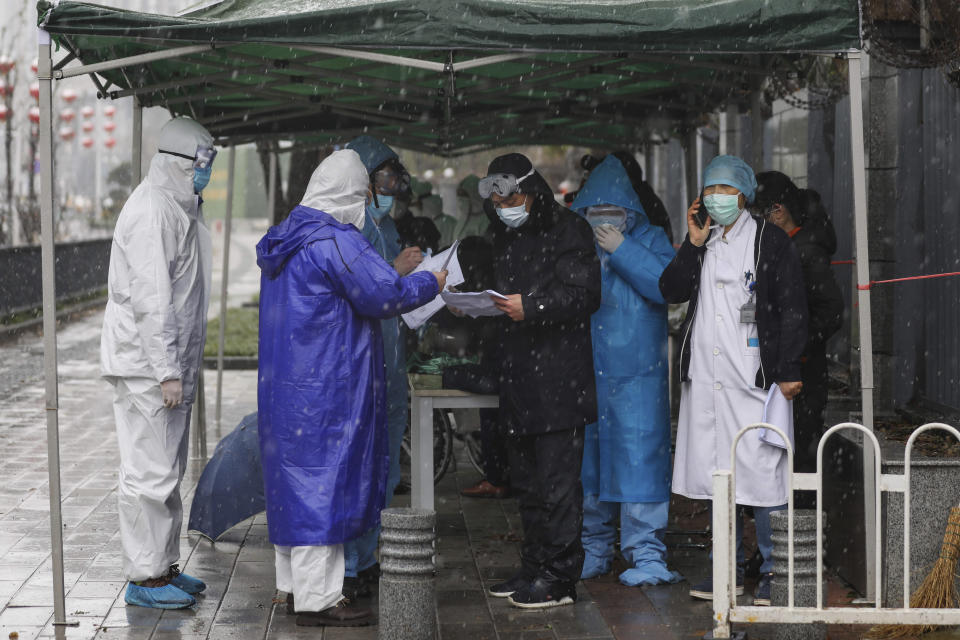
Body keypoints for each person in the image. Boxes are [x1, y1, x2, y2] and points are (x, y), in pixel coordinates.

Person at [256, 149, 445, 627]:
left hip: (288, 387)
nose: (368, 201)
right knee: (325, 484)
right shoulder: (337, 240)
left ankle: (294, 587)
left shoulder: (287, 238)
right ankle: (320, 600)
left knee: (294, 486)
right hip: (328, 387)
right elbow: (386, 294)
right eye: (364, 191)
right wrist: (431, 281)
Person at [658, 155, 807, 607]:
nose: (716, 198)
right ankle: (725, 566)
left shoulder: (770, 242)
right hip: (707, 377)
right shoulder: (704, 241)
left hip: (754, 377)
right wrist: (692, 242)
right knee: (716, 474)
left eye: (725, 190)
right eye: (710, 190)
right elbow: (671, 290)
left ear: (744, 195)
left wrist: (788, 369)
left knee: (762, 474)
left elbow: (791, 304)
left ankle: (773, 568)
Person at [472, 153, 601, 609]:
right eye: (498, 198)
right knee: (528, 485)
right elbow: (502, 297)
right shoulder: (504, 235)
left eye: (514, 196)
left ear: (534, 190)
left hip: (560, 381)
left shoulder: (570, 230)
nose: (506, 205)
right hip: (519, 378)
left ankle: (560, 577)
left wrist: (534, 305)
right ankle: (534, 566)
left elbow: (585, 294)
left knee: (558, 487)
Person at [100, 117, 216, 609]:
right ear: (178, 163)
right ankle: (145, 578)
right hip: (149, 367)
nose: (206, 173)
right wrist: (168, 369)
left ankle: (163, 566)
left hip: (162, 365)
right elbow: (153, 299)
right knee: (149, 472)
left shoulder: (175, 207)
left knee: (165, 471)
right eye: (202, 164)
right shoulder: (152, 211)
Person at [569, 155, 681, 587]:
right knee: (591, 466)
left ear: (630, 210)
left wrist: (623, 249)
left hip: (639, 377)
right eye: (595, 212)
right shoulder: (577, 242)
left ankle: (647, 553)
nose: (604, 221)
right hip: (591, 371)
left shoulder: (650, 238)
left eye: (612, 213)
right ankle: (594, 549)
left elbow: (665, 284)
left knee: (640, 461)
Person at [341, 135, 422, 598]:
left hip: (388, 368)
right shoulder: (342, 232)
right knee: (357, 470)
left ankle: (366, 558)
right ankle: (347, 566)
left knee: (384, 471)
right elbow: (359, 291)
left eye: (395, 181)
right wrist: (398, 272)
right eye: (383, 181)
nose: (390, 191)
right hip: (360, 372)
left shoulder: (382, 228)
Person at [753, 173, 843, 482]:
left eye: (758, 214)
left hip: (803, 373)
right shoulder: (778, 247)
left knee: (799, 453)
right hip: (779, 365)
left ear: (778, 211)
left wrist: (796, 347)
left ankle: (799, 522)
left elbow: (831, 312)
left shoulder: (805, 251)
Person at [455, 174, 491, 239]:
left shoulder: (487, 221)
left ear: (474, 196)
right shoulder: (462, 219)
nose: (460, 200)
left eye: (464, 195)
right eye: (459, 196)